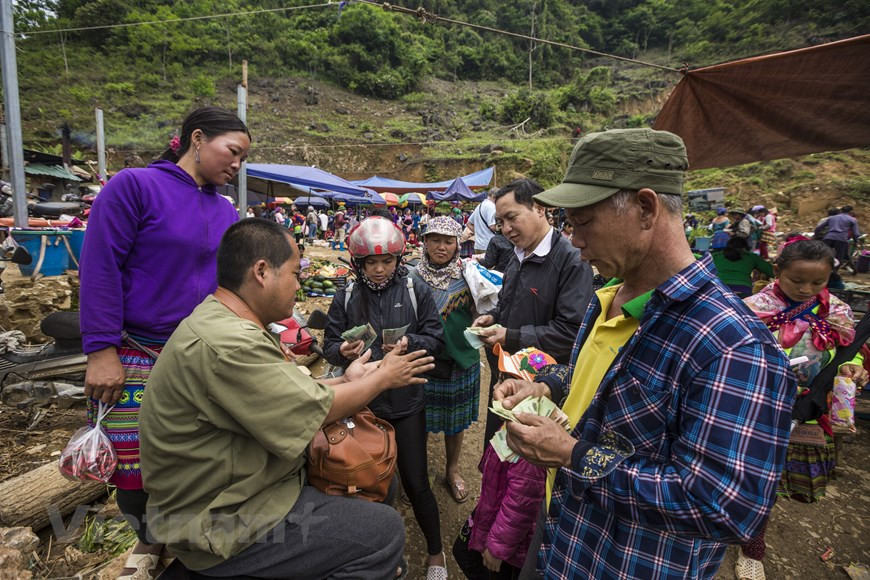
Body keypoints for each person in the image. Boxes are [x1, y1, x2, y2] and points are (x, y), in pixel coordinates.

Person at [494, 129, 794, 579]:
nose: (573, 240)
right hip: (565, 536)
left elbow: (725, 506)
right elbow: (593, 380)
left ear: (647, 209)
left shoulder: (730, 344)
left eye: (583, 222)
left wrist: (573, 455)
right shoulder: (609, 296)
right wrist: (545, 383)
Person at [139, 218, 435, 578]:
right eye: (296, 274)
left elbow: (291, 394)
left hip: (236, 490)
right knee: (384, 532)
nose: (300, 284)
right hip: (223, 518)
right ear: (262, 272)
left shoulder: (223, 322)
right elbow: (313, 409)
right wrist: (383, 378)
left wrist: (345, 378)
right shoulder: (231, 345)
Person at [80, 106, 250, 579]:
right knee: (134, 466)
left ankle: (190, 536)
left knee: (200, 454)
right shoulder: (133, 187)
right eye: (232, 153)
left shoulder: (225, 209)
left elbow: (232, 283)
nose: (237, 166)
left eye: (242, 159)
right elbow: (100, 269)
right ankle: (148, 539)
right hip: (137, 350)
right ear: (197, 139)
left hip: (202, 352)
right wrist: (101, 350)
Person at [323, 216, 448, 578]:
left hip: (407, 402)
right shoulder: (345, 294)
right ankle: (380, 551)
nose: (379, 270)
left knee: (416, 480)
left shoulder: (415, 289)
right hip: (362, 407)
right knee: (366, 481)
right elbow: (329, 346)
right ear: (357, 264)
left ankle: (436, 554)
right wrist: (341, 351)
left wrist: (413, 343)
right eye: (370, 263)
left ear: (399, 259)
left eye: (387, 261)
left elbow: (437, 338)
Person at [738, 239, 868, 579]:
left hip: (809, 410)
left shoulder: (836, 312)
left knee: (774, 483)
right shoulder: (752, 309)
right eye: (797, 281)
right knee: (752, 478)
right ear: (777, 271)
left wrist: (848, 368)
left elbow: (845, 352)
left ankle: (751, 547)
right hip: (756, 408)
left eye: (818, 282)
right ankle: (746, 542)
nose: (806, 289)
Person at [472, 178, 593, 446]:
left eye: (511, 218)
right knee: (498, 452)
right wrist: (493, 316)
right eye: (500, 221)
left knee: (527, 467)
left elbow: (571, 331)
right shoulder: (517, 255)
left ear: (539, 208)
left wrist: (510, 336)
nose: (505, 229)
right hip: (508, 377)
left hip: (545, 385)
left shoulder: (572, 261)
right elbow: (508, 301)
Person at [452, 348, 551, 580]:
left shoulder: (530, 449)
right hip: (491, 511)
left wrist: (498, 549)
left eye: (509, 381)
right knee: (462, 552)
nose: (499, 387)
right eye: (501, 377)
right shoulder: (511, 423)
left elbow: (521, 505)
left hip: (505, 544)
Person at [409, 217, 480, 505]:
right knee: (420, 421)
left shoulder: (470, 275)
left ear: (457, 245)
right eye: (435, 240)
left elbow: (486, 307)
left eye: (448, 241)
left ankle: (451, 470)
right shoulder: (411, 276)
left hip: (460, 361)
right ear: (424, 242)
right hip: (423, 359)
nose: (441, 247)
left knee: (456, 422)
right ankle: (418, 473)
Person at [815, 205, 860, 274]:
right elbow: (856, 233)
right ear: (850, 212)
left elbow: (819, 228)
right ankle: (833, 273)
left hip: (828, 237)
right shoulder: (852, 219)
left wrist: (816, 235)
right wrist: (855, 241)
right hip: (841, 239)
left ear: (841, 211)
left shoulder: (832, 218)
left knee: (823, 254)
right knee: (839, 258)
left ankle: (818, 270)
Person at [467, 189, 498, 253]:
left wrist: (479, 232)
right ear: (493, 196)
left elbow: (468, 223)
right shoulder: (491, 206)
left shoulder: (479, 206)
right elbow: (492, 226)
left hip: (478, 245)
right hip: (488, 244)